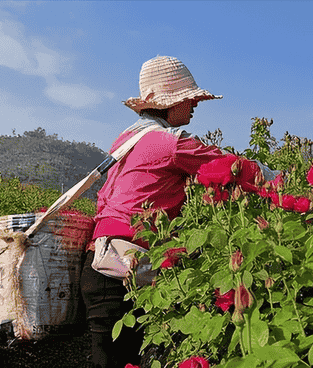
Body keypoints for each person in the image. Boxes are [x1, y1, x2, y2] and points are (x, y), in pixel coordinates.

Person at [80, 55, 229, 368]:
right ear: (168, 103)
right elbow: (235, 167)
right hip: (126, 271)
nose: (195, 105)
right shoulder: (170, 143)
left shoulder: (124, 140)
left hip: (97, 267)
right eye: (189, 98)